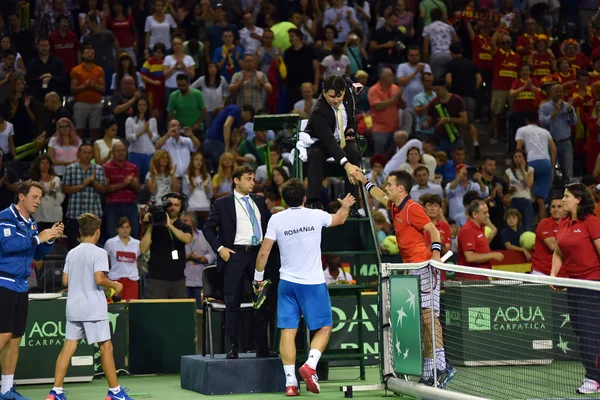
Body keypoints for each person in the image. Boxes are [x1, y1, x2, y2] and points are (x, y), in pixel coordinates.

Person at [254, 178, 355, 395]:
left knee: (288, 332)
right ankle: (310, 365)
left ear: (284, 198)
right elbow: (340, 219)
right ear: (304, 198)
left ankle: (290, 383)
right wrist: (345, 205)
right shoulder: (316, 215)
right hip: (313, 283)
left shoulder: (276, 219)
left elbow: (263, 252)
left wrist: (258, 279)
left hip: (287, 284)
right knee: (325, 327)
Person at [357, 170, 454, 387]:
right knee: (424, 320)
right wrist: (365, 181)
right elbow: (379, 195)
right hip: (412, 269)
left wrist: (435, 258)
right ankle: (430, 372)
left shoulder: (413, 208)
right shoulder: (394, 205)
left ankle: (442, 366)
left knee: (430, 318)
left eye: (389, 184)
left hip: (425, 268)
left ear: (400, 188)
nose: (387, 187)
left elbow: (433, 231)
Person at [46, 213, 132, 400]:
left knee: (68, 347)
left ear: (80, 231)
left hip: (74, 307)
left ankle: (56, 392)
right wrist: (115, 285)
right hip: (93, 307)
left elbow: (65, 280)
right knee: (106, 347)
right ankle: (115, 392)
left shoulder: (71, 253)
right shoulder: (99, 253)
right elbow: (99, 279)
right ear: (98, 231)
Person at [202, 166, 276, 359]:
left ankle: (263, 346)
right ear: (236, 180)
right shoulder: (222, 203)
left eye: (253, 179)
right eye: (248, 179)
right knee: (232, 301)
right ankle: (232, 346)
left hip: (258, 255)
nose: (253, 182)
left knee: (262, 301)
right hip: (234, 255)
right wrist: (220, 249)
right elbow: (208, 228)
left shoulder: (259, 200)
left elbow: (270, 226)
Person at [0, 181, 62, 400]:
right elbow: (6, 246)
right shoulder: (5, 217)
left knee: (15, 338)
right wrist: (39, 238)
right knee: (4, 334)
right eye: (34, 197)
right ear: (21, 197)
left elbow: (37, 255)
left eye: (39, 198)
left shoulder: (31, 223)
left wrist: (50, 239)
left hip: (21, 285)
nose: (38, 201)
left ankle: (6, 390)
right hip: (3, 282)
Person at [552, 183, 600, 394]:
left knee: (589, 332)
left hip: (592, 283)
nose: (563, 200)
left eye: (566, 196)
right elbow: (558, 252)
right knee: (579, 329)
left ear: (578, 199)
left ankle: (593, 377)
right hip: (573, 284)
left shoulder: (592, 222)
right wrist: (553, 275)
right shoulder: (563, 223)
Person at [304, 75, 364, 211]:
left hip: (343, 136)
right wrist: (346, 164)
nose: (336, 100)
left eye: (339, 96)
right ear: (324, 93)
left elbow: (351, 114)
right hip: (320, 141)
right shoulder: (318, 111)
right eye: (332, 97)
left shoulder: (347, 93)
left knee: (354, 154)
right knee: (315, 155)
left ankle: (352, 206)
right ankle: (314, 202)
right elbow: (329, 142)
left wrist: (351, 129)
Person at [139, 193, 193, 299]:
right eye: (170, 204)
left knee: (178, 314)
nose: (172, 207)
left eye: (176, 205)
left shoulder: (184, 226)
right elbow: (143, 249)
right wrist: (150, 225)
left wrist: (169, 226)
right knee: (156, 313)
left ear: (181, 207)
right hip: (156, 279)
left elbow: (187, 239)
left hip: (178, 279)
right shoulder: (154, 226)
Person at [457, 199, 504, 280]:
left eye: (488, 212)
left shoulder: (480, 227)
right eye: (485, 213)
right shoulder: (468, 230)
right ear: (475, 214)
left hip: (481, 276)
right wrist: (492, 255)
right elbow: (470, 257)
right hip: (470, 279)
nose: (488, 215)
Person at [181, 211, 214, 309]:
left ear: (193, 222)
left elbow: (212, 254)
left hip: (200, 281)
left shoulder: (204, 236)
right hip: (184, 280)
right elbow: (173, 255)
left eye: (185, 220)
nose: (183, 223)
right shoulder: (178, 236)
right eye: (181, 221)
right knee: (185, 310)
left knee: (200, 310)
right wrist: (185, 258)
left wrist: (204, 259)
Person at [104, 216, 141, 301]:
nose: (125, 230)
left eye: (127, 227)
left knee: (131, 307)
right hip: (114, 280)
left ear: (131, 228)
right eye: (122, 227)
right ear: (117, 229)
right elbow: (106, 260)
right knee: (114, 306)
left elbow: (138, 260)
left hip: (132, 280)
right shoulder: (110, 243)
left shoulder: (137, 243)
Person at [531, 197, 566, 276]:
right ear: (550, 209)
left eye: (559, 206)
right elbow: (553, 246)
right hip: (542, 273)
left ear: (566, 209)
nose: (555, 209)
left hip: (563, 274)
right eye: (553, 207)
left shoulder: (570, 224)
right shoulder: (545, 223)